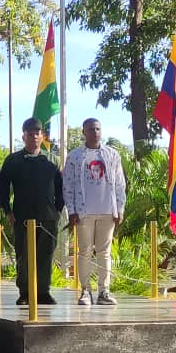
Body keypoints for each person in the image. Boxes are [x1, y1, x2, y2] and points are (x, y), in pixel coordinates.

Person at [0, 117, 65, 306]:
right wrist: (7, 211)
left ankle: (43, 292)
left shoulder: (53, 160)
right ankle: (25, 292)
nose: (34, 137)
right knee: (24, 255)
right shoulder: (13, 160)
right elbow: (3, 187)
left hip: (48, 217)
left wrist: (58, 210)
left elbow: (62, 188)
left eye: (37, 133)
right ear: (24, 136)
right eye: (30, 134)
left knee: (45, 255)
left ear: (42, 136)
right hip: (22, 216)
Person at [62, 118, 126, 306]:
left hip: (108, 211)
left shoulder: (112, 154)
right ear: (84, 132)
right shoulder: (75, 156)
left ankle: (104, 291)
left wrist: (119, 208)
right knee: (84, 252)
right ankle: (85, 291)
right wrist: (72, 210)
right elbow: (68, 184)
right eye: (91, 129)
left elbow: (120, 184)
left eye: (98, 129)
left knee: (104, 253)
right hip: (84, 213)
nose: (95, 132)